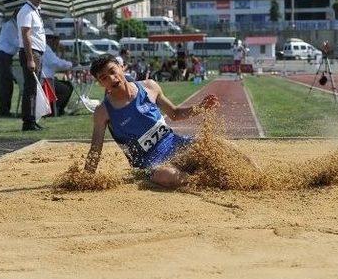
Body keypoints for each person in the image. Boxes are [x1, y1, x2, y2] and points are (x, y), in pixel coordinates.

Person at [85, 54, 218, 188]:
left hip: (176, 143)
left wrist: (200, 107)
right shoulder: (103, 111)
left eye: (112, 71)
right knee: (167, 176)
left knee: (213, 146)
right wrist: (85, 177)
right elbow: (96, 148)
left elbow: (175, 113)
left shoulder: (149, 86)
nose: (112, 79)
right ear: (101, 83)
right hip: (149, 162)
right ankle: (205, 181)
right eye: (104, 78)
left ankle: (218, 173)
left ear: (121, 67)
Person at [17, 0, 46, 131]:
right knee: (30, 88)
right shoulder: (26, 11)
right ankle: (28, 121)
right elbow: (26, 35)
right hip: (31, 52)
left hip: (36, 52)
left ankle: (32, 119)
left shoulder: (34, 10)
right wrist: (30, 58)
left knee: (34, 87)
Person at [42, 30, 73, 117]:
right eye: (53, 38)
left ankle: (58, 109)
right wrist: (70, 64)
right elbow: (56, 63)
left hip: (44, 79)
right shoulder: (45, 48)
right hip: (45, 80)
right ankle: (53, 109)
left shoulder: (44, 48)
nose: (55, 41)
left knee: (67, 85)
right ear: (47, 39)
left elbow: (56, 62)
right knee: (66, 89)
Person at [0, 13, 19, 117]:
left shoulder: (13, 25)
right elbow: (15, 42)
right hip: (3, 56)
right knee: (5, 85)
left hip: (5, 56)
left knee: (7, 85)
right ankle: (4, 111)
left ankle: (5, 110)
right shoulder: (10, 26)